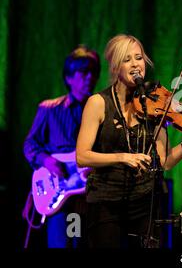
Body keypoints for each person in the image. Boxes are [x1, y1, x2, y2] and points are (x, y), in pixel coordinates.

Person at [76, 34, 182, 248]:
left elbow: (165, 162)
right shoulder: (98, 103)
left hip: (145, 203)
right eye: (127, 59)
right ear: (115, 66)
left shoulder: (154, 104)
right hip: (105, 202)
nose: (135, 64)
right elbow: (82, 156)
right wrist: (122, 158)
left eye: (138, 57)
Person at [23, 45, 100, 248]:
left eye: (93, 73)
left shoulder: (102, 113)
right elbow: (30, 144)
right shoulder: (49, 109)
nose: (89, 78)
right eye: (83, 72)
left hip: (89, 197)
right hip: (59, 194)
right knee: (60, 244)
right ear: (69, 77)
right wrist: (47, 161)